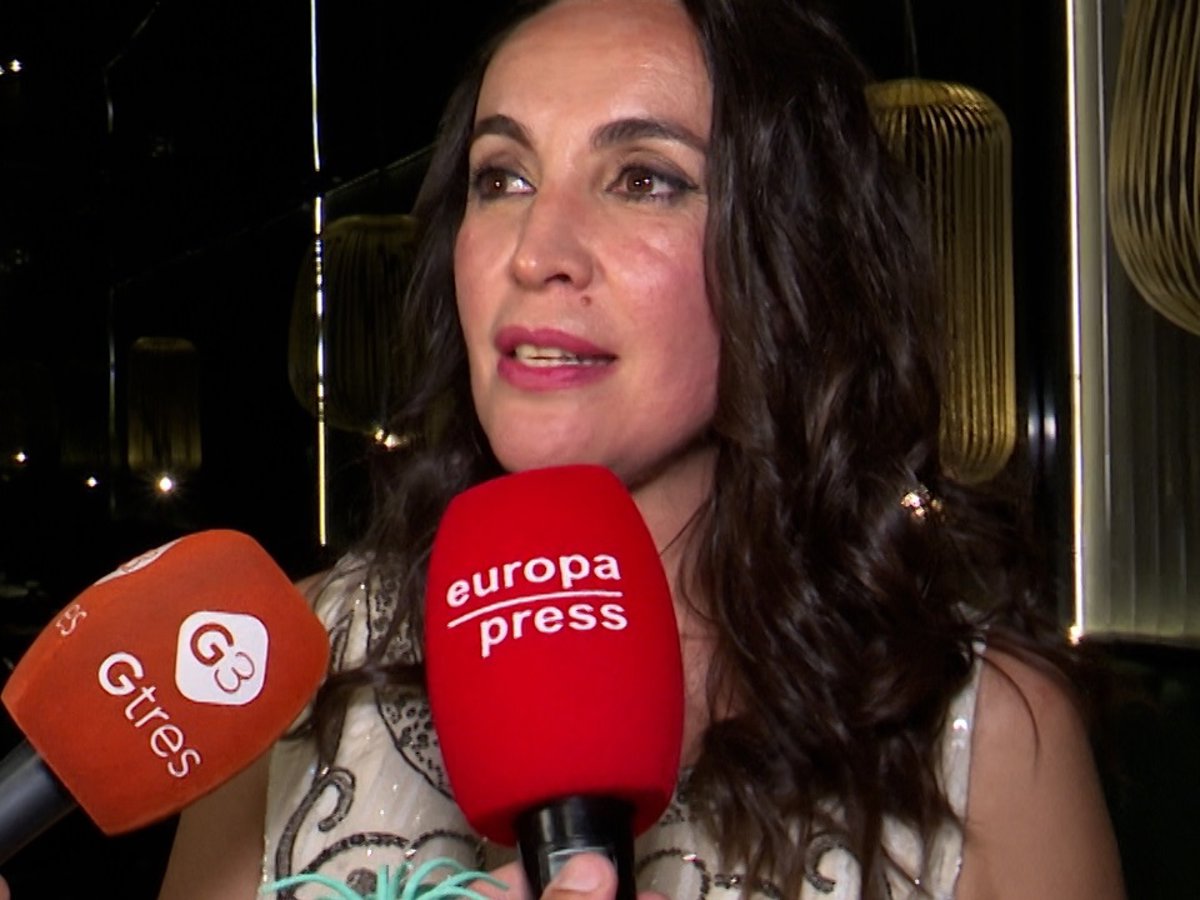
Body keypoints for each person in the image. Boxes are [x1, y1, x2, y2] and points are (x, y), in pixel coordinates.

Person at [147, 0, 1124, 897]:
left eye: (644, 180)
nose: (537, 251)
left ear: (789, 252)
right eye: (503, 177)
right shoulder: (285, 673)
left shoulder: (986, 735)